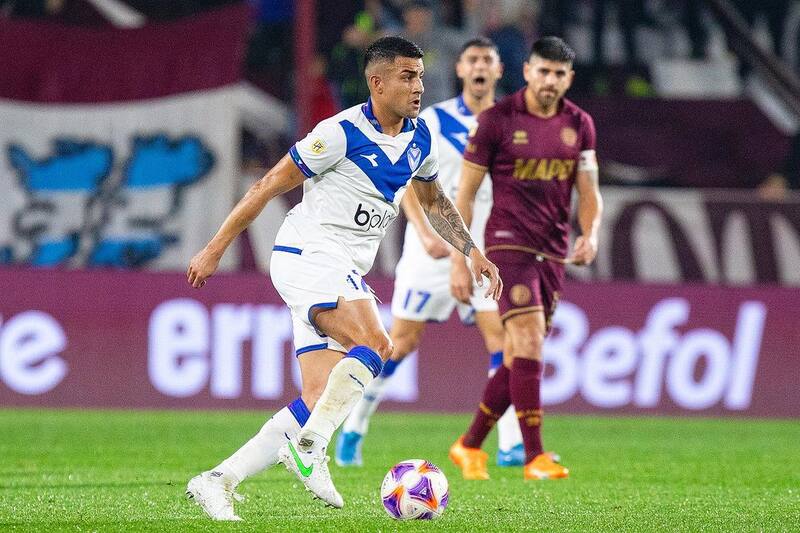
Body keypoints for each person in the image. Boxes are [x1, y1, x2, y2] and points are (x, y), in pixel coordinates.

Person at [184, 35, 502, 520]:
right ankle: (312, 447)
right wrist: (214, 249)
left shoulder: (420, 140)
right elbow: (269, 183)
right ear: (377, 83)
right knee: (378, 344)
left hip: (340, 267)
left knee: (318, 397)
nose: (419, 86)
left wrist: (472, 251)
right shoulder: (339, 133)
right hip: (308, 253)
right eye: (407, 77)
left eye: (420, 76)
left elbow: (435, 202)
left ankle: (217, 480)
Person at [336, 37, 525, 469]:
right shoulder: (432, 120)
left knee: (504, 340)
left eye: (487, 60)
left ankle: (511, 444)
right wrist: (423, 233)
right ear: (461, 69)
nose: (479, 66)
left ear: (498, 72)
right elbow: (407, 179)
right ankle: (354, 426)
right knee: (399, 344)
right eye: (472, 59)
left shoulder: (514, 125)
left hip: (486, 250)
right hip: (435, 250)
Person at [448, 36, 603, 481]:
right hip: (506, 243)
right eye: (543, 71)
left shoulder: (580, 124)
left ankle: (469, 443)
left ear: (569, 78)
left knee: (519, 353)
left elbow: (589, 192)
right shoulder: (497, 121)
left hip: (552, 249)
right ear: (527, 72)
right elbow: (465, 194)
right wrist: (461, 258)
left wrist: (589, 234)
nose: (550, 80)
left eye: (559, 74)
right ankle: (535, 456)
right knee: (530, 340)